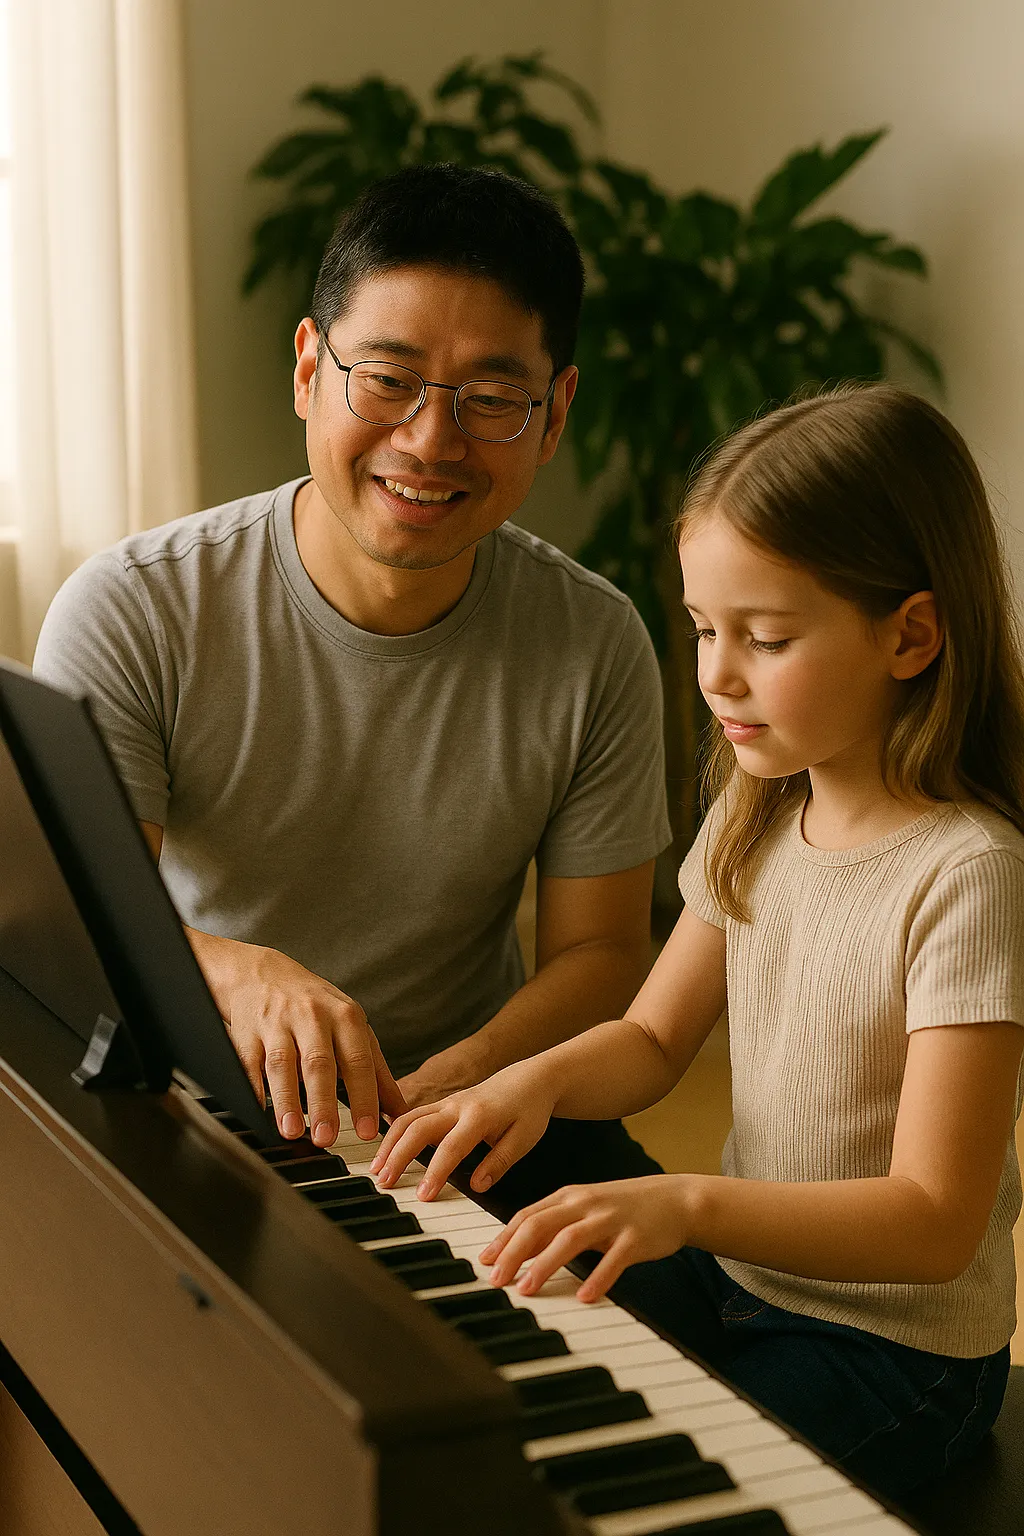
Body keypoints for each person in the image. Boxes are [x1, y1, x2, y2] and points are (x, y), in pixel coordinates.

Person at [371, 383, 1024, 1498]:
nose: (716, 673)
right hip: (743, 1280)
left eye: (765, 638)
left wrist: (680, 1203)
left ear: (909, 634)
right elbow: (650, 1038)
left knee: (646, 1488)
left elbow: (930, 1221)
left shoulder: (967, 873)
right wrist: (520, 1082)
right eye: (704, 630)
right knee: (493, 1347)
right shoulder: (759, 806)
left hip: (893, 1354)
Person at [33, 164, 670, 1196]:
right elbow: (69, 921)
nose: (428, 439)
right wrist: (239, 973)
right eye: (387, 379)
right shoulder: (137, 607)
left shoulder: (594, 640)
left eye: (492, 398)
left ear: (554, 416)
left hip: (478, 1112)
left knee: (686, 1341)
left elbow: (600, 956)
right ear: (306, 370)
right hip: (209, 1092)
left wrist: (463, 1079)